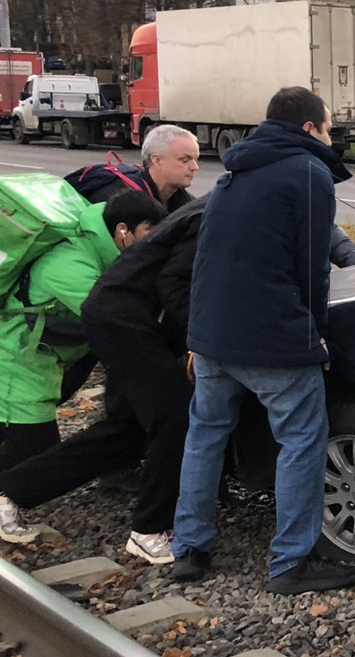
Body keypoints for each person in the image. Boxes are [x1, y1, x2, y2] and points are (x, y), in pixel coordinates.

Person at [168, 87, 355, 594]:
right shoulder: (308, 173)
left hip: (212, 333)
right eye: (327, 126)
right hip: (271, 334)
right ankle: (290, 562)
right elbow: (311, 266)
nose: (331, 135)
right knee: (301, 438)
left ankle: (189, 547)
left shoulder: (237, 171)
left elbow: (210, 255)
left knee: (205, 433)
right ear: (308, 129)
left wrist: (197, 334)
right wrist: (314, 337)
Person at [0, 198, 205, 559]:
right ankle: (149, 529)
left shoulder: (213, 204)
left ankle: (11, 491)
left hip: (130, 322)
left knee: (126, 432)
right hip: (122, 324)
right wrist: (200, 339)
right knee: (175, 416)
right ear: (122, 230)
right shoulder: (213, 214)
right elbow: (173, 285)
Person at [0, 188, 166, 500]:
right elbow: (114, 316)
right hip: (15, 364)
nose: (153, 242)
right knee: (37, 461)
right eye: (148, 233)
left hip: (38, 364)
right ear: (122, 231)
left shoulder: (99, 253)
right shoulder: (70, 265)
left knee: (28, 450)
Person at [68, 124, 201, 211]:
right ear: (157, 160)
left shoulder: (182, 200)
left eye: (196, 159)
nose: (195, 167)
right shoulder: (121, 199)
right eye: (185, 160)